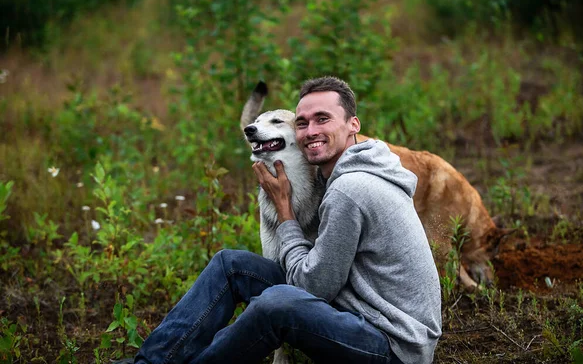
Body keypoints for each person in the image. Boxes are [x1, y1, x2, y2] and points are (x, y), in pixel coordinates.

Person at [121, 76, 441, 364]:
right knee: (230, 265)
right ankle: (153, 361)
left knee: (277, 303)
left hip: (393, 346)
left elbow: (310, 287)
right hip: (356, 310)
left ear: (353, 124)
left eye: (323, 119)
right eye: (302, 123)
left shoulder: (350, 189)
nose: (311, 131)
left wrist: (285, 211)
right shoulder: (349, 171)